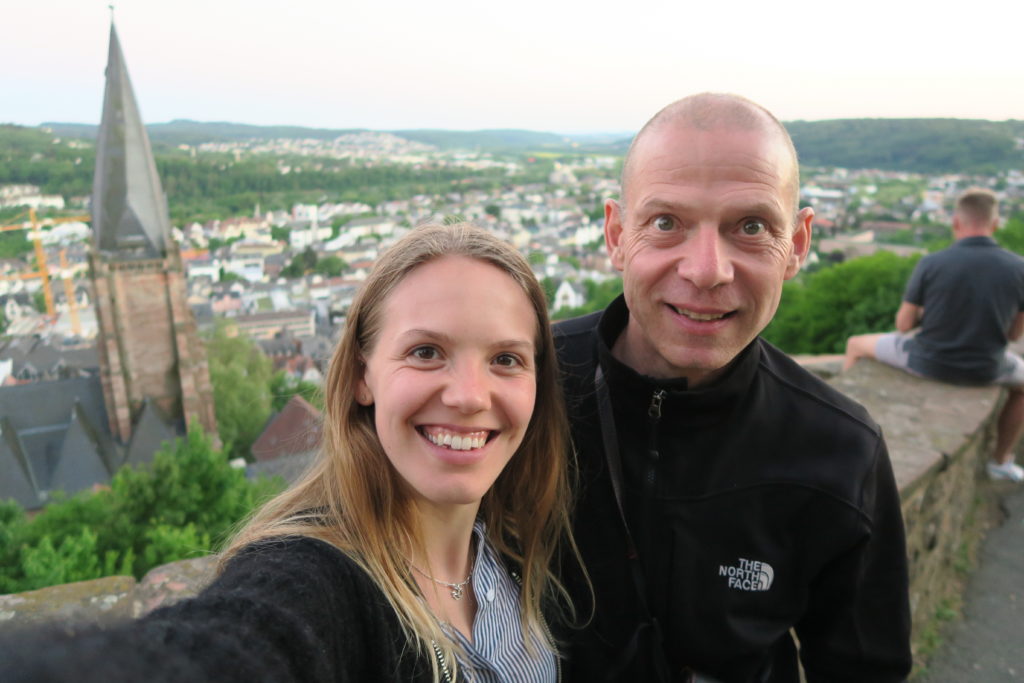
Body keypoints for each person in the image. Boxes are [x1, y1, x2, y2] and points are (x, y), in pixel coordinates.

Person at [0, 222, 578, 682]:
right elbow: (235, 646)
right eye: (426, 352)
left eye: (506, 359)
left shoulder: (521, 546)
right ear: (362, 376)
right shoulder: (318, 580)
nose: (470, 396)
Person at [553, 93, 912, 682]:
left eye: (751, 227)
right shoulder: (520, 390)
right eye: (666, 223)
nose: (706, 270)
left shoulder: (840, 450)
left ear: (796, 245)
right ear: (617, 234)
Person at [845, 188, 1024, 483]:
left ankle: (844, 432)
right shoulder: (1019, 268)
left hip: (927, 362)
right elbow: (1015, 334)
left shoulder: (932, 262)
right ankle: (1001, 459)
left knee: (855, 344)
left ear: (956, 222)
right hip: (987, 368)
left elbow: (903, 325)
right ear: (995, 224)